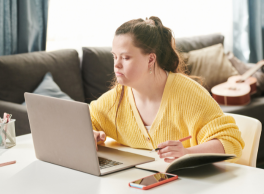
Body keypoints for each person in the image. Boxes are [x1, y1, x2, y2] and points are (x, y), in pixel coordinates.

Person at [90, 16, 244, 163]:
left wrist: (187, 153)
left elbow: (231, 142)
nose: (116, 65)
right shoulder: (116, 97)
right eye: (114, 56)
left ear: (151, 59)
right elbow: (85, 120)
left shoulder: (189, 94)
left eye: (125, 57)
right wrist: (90, 134)